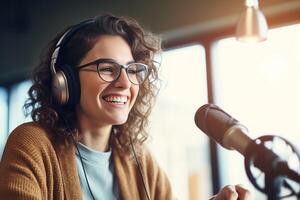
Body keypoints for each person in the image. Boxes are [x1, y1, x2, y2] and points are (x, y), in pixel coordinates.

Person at [0, 13, 250, 200]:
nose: (124, 82)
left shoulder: (140, 160)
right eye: (107, 69)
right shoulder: (32, 144)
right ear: (65, 81)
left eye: (132, 70)